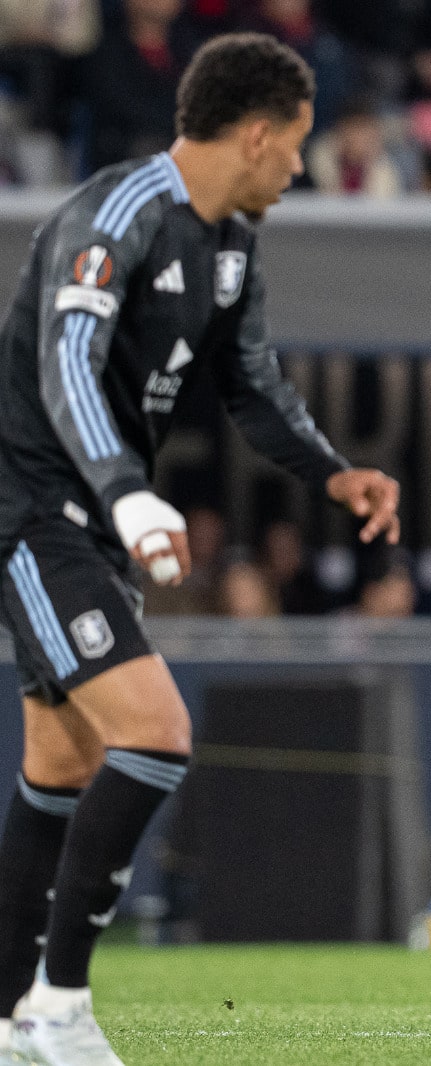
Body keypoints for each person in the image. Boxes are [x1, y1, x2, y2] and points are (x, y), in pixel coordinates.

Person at [0, 33, 400, 1066]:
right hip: (31, 509)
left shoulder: (230, 247)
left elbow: (253, 387)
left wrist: (331, 471)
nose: (300, 168)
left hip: (87, 518)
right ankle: (58, 1005)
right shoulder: (114, 214)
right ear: (257, 134)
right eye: (298, 145)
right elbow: (66, 368)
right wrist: (129, 496)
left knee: (62, 761)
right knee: (157, 730)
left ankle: (9, 1018)